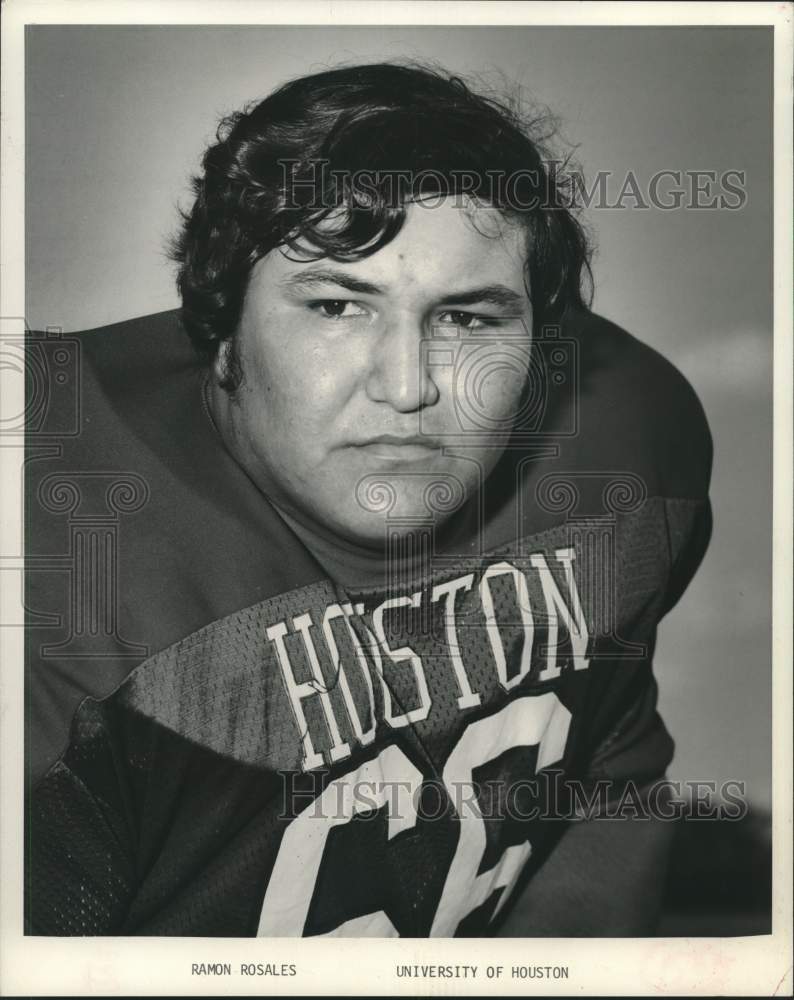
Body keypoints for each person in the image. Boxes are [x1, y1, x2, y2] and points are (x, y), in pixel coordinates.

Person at [24, 62, 712, 937]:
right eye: (337, 307)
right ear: (219, 327)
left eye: (467, 319)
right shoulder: (59, 529)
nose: (406, 384)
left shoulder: (624, 438)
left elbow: (607, 778)